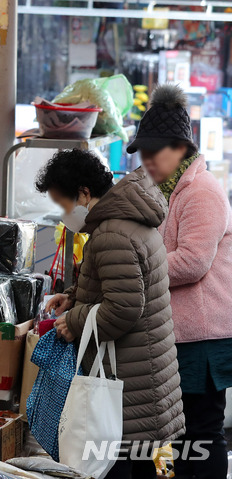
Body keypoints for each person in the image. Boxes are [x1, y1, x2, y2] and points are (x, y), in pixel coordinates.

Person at [37, 149, 184, 478]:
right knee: (150, 467)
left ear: (84, 193)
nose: (62, 214)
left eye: (62, 203)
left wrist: (73, 321)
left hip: (130, 383)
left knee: (123, 468)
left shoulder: (111, 234)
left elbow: (125, 306)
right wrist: (73, 297)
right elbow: (120, 283)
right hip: (148, 372)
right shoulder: (127, 220)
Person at [129, 83, 232, 478]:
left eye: (156, 152)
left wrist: (133, 269)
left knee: (202, 431)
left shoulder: (201, 191)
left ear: (180, 148)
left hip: (201, 338)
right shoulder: (162, 190)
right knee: (172, 435)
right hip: (174, 334)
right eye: (144, 152)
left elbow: (192, 262)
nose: (148, 160)